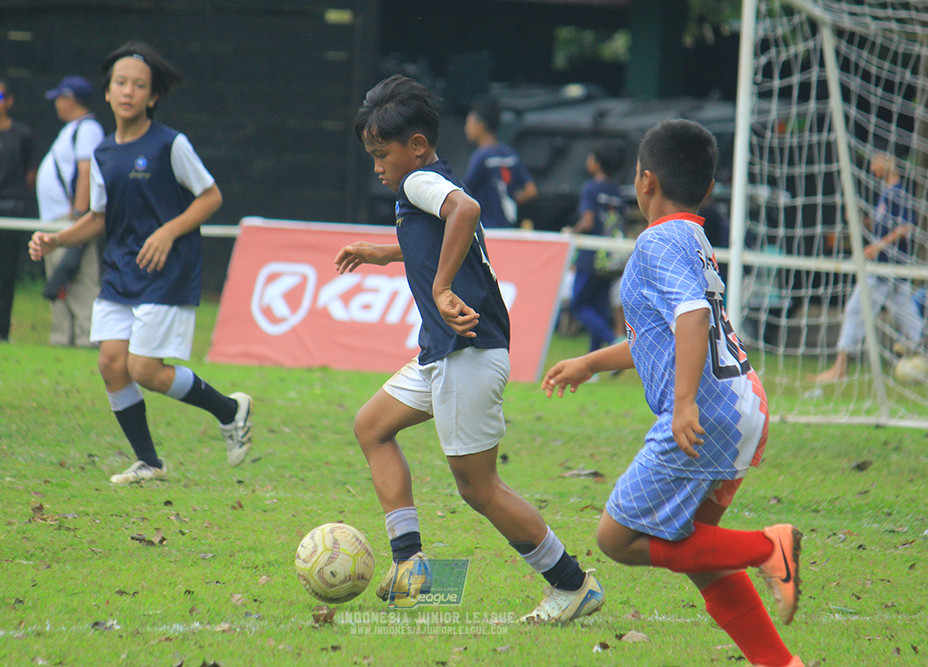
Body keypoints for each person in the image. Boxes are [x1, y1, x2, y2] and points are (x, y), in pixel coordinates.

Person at [334, 74, 603, 623]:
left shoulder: (420, 183)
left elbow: (467, 212)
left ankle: (572, 584)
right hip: (445, 350)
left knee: (478, 489)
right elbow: (435, 233)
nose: (377, 167)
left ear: (415, 146)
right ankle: (412, 566)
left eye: (381, 154)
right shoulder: (426, 180)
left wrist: (439, 289)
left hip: (468, 351)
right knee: (371, 426)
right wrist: (384, 253)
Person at [543, 120, 804, 667]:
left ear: (644, 181)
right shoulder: (692, 238)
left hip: (705, 412)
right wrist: (591, 362)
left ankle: (768, 546)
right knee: (700, 554)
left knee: (616, 538)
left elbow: (688, 317)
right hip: (740, 405)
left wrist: (682, 404)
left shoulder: (657, 241)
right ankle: (780, 664)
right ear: (707, 190)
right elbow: (660, 334)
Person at [29, 41, 252, 484]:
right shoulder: (104, 153)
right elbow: (97, 217)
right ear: (108, 93)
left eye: (139, 85)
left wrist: (169, 230)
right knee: (112, 364)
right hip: (121, 271)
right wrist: (56, 239)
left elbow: (211, 197)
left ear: (152, 96)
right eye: (120, 83)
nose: (128, 91)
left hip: (167, 270)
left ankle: (231, 409)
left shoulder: (171, 144)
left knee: (144, 369)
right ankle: (150, 462)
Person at [811, 151, 922, 383]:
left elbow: (906, 226)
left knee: (855, 311)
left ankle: (840, 369)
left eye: (875, 163)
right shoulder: (886, 194)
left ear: (888, 162)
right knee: (909, 319)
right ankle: (920, 359)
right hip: (891, 269)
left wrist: (877, 247)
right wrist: (862, 221)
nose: (872, 169)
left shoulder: (898, 194)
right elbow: (885, 225)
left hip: (887, 267)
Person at [35, 75, 104, 347]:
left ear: (70, 99)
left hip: (70, 220)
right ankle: (63, 337)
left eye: (60, 99)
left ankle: (88, 337)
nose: (57, 105)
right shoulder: (74, 129)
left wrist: (79, 213)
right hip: (59, 220)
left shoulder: (87, 129)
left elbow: (86, 170)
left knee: (81, 279)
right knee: (60, 280)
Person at [0, 77, 37, 342]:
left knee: (6, 275)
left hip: (11, 211)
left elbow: (29, 173)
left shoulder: (22, 135)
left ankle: (0, 331)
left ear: (9, 102)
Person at [567, 139, 628, 354]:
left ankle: (614, 339)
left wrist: (571, 232)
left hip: (590, 256)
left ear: (598, 163)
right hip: (610, 258)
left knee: (579, 304)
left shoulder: (590, 189)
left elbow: (588, 221)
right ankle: (594, 362)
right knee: (599, 308)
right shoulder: (617, 192)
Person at [462, 97, 536, 229]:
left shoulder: (481, 157)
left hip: (487, 229)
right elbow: (531, 190)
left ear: (481, 124)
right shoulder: (510, 154)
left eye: (469, 122)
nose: (466, 127)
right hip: (508, 228)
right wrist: (509, 200)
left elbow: (464, 193)